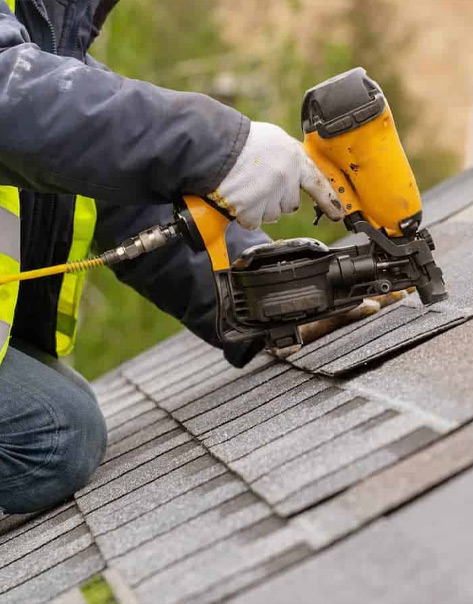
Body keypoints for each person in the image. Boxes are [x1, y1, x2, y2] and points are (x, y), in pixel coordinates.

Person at [0, 0, 346, 514]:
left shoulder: (42, 28)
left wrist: (260, 293)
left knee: (59, 407)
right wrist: (218, 148)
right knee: (51, 434)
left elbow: (122, 203)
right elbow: (18, 101)